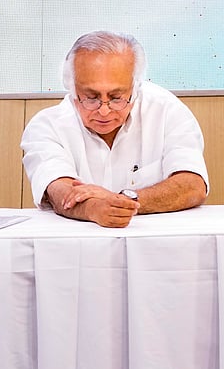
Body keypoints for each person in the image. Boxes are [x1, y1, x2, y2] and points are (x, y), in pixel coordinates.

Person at [21, 31, 209, 228]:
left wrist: (122, 201)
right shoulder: (46, 126)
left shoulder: (167, 110)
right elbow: (60, 191)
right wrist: (94, 209)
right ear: (72, 89)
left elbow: (192, 186)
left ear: (135, 88)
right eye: (91, 97)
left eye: (116, 97)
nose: (103, 110)